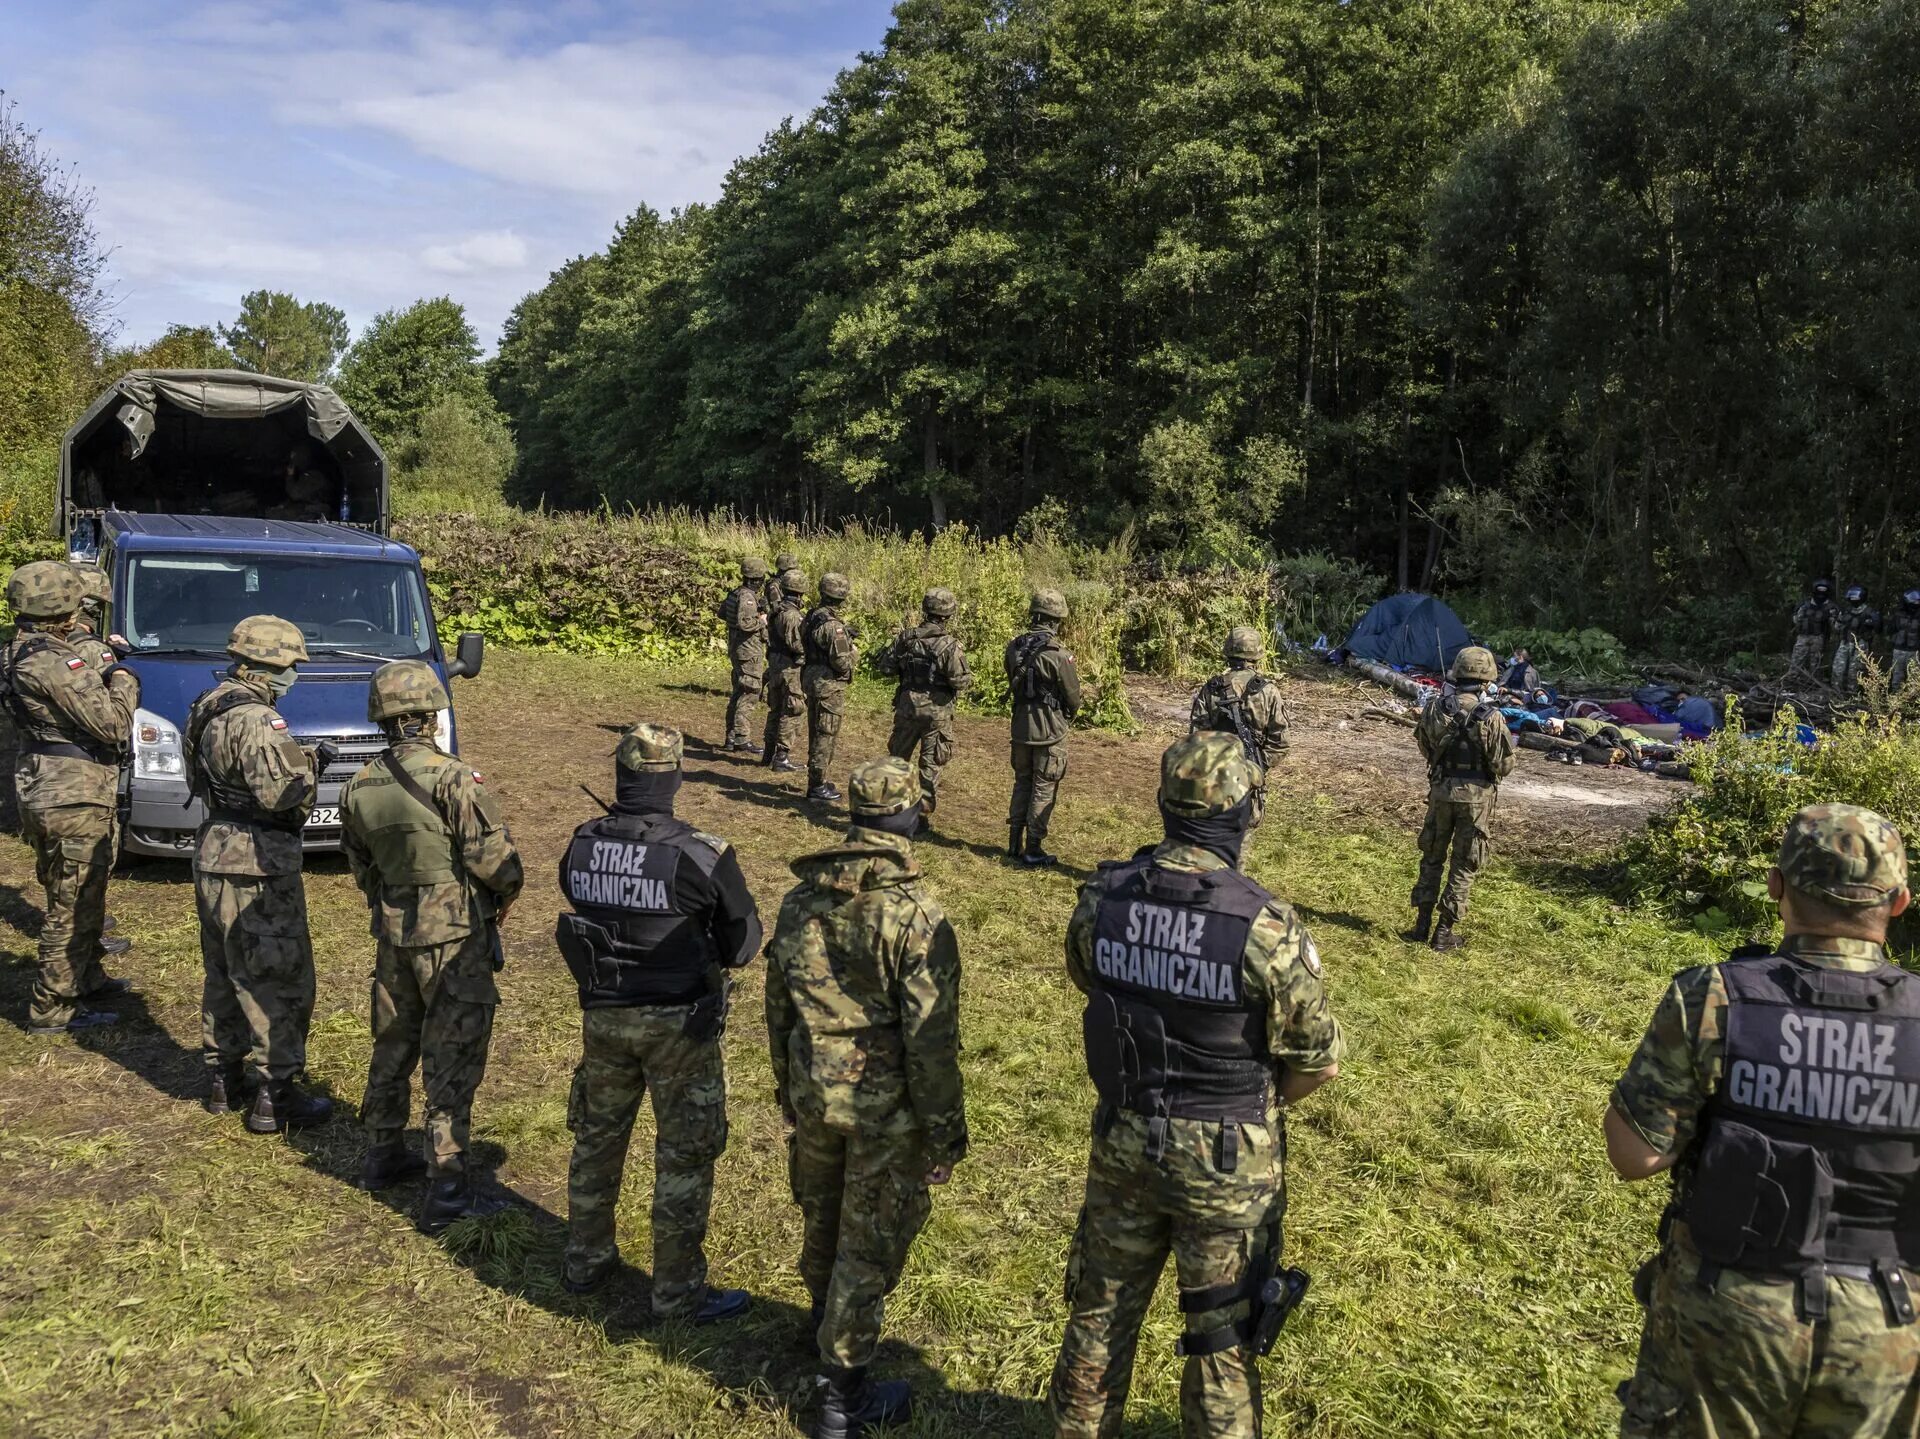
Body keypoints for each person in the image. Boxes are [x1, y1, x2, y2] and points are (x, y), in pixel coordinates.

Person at [1049, 731, 1343, 1439]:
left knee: (1099, 1316)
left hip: (1126, 1136)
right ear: (1245, 814)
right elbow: (1315, 1059)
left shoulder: (1104, 898)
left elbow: (1088, 975)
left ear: (1165, 805)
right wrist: (1252, 1105)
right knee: (1220, 1337)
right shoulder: (1265, 926)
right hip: (1226, 1158)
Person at [1609, 803, 1920, 1439]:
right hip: (1887, 1328)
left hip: (1728, 1311)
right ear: (1899, 902)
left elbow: (1635, 1156)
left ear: (1777, 888)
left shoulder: (1714, 996)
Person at [765, 758, 967, 1438]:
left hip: (813, 1086)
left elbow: (779, 1003)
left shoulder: (801, 898)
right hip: (884, 1106)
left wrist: (785, 1087)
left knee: (821, 1211)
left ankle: (822, 1329)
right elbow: (931, 1040)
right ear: (909, 819)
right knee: (867, 1240)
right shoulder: (914, 914)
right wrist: (944, 1135)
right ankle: (840, 1396)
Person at [556, 723, 762, 1321]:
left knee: (596, 1140)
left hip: (603, 1015)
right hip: (681, 1026)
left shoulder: (582, 843)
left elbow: (574, 892)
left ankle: (584, 1262)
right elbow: (744, 943)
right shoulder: (701, 853)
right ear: (674, 779)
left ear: (621, 777)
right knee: (684, 1155)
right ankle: (676, 1293)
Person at [342, 660, 525, 1233]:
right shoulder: (454, 779)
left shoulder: (359, 783)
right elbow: (492, 862)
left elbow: (360, 865)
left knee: (393, 1042)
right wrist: (508, 888)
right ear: (429, 715)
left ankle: (381, 1153)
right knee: (453, 1054)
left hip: (394, 932)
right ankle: (446, 1185)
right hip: (453, 938)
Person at [185, 615, 330, 1127]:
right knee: (279, 978)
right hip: (258, 862)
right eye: (292, 666)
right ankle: (277, 1095)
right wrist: (310, 768)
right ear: (272, 666)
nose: (294, 676)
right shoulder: (258, 720)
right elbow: (285, 800)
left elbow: (203, 777)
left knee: (223, 971)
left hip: (213, 850)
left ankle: (223, 1079)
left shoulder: (208, 704)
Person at [3, 561, 138, 1035]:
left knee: (76, 889)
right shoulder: (54, 661)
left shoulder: (18, 649)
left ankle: (87, 977)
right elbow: (113, 724)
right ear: (62, 607)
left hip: (45, 783)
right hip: (72, 791)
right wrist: (124, 678)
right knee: (72, 902)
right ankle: (54, 1006)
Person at [1406, 645, 1515, 952]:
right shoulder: (1491, 718)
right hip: (1476, 801)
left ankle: (1421, 925)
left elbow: (1424, 747)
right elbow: (1504, 765)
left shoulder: (1436, 708)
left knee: (1432, 858)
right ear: (1486, 680)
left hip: (1441, 793)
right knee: (1464, 864)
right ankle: (1443, 932)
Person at [878, 587, 971, 832]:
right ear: (948, 614)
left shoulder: (905, 638)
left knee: (898, 759)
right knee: (929, 764)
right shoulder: (949, 646)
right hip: (936, 713)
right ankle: (918, 816)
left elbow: (885, 667)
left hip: (907, 707)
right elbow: (961, 681)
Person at [1006, 588, 1083, 868]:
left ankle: (1014, 842)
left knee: (1022, 782)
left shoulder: (1014, 647)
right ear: (1056, 620)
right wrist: (1066, 716)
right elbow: (1074, 697)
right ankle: (1033, 848)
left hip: (1020, 727)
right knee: (1043, 787)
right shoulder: (1059, 655)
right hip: (1050, 730)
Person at [1188, 625, 1290, 827]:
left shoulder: (1212, 688)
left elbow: (1196, 738)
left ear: (1228, 654)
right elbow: (1280, 743)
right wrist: (1258, 766)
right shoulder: (1268, 691)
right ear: (1257, 656)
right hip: (1249, 786)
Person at [802, 573, 858, 805]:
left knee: (816, 731)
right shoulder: (834, 626)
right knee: (825, 736)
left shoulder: (813, 616)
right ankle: (817, 785)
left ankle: (817, 781)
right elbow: (842, 662)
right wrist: (853, 650)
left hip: (812, 679)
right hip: (828, 684)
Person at [720, 557, 769, 754]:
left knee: (739, 692)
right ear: (757, 578)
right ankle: (742, 737)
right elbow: (746, 624)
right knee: (750, 692)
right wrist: (762, 620)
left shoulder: (735, 593)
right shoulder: (747, 598)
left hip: (737, 649)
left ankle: (731, 737)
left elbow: (722, 613)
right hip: (748, 651)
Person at [763, 567, 809, 775]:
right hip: (790, 667)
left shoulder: (777, 610)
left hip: (775, 664)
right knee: (792, 709)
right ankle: (781, 756)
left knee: (776, 709)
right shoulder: (791, 615)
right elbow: (797, 644)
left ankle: (769, 751)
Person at [1833, 584, 1881, 693]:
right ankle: (1836, 692)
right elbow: (1837, 626)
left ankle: (1852, 694)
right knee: (1838, 668)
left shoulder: (1870, 613)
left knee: (1854, 671)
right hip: (1845, 643)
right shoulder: (1845, 611)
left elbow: (1877, 630)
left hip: (1861, 644)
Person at [1790, 579, 1837, 682]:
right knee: (1796, 660)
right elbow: (1796, 620)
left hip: (1818, 637)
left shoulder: (1831, 607)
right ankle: (1791, 681)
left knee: (1815, 663)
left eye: (1823, 592)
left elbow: (1835, 627)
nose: (1820, 595)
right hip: (1803, 636)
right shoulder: (1804, 604)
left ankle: (1814, 684)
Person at [1890, 589, 1920, 692]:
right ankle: (1895, 702)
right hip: (1899, 650)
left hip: (1914, 652)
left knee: (1914, 679)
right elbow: (1890, 630)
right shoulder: (1898, 614)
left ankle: (1912, 704)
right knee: (1897, 678)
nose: (1915, 604)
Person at [765, 551, 801, 618]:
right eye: (792, 570)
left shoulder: (786, 583)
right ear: (784, 570)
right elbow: (776, 609)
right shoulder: (774, 586)